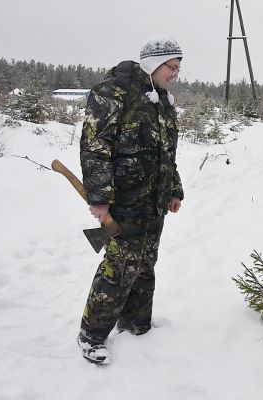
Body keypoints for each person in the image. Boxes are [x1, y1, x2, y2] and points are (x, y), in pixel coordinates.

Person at [76, 35, 185, 365]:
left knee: (145, 265)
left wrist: (174, 188)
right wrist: (100, 198)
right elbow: (96, 147)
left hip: (153, 200)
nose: (176, 74)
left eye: (179, 69)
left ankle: (137, 326)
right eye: (173, 67)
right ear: (155, 63)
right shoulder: (113, 92)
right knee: (119, 268)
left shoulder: (161, 98)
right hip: (124, 201)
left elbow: (166, 150)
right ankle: (91, 334)